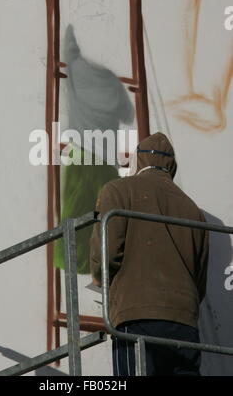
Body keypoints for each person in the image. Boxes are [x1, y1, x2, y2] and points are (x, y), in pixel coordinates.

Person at [89, 132, 209, 376]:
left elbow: (106, 253)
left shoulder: (118, 190)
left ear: (138, 160)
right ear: (171, 166)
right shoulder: (193, 210)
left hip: (137, 313)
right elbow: (200, 278)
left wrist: (103, 283)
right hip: (184, 323)